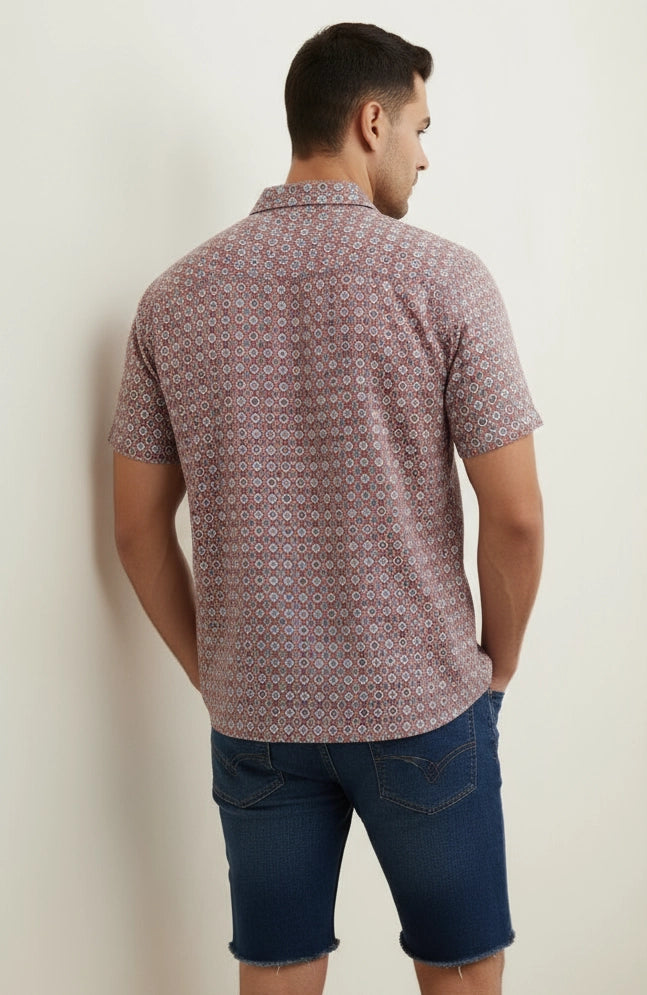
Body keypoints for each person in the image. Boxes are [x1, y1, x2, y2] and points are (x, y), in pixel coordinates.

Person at [109, 22, 543, 995]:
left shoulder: (172, 299)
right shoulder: (442, 279)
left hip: (255, 709)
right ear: (370, 119)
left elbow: (137, 523)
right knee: (463, 973)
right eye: (419, 128)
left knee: (276, 970)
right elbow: (511, 515)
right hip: (422, 706)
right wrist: (497, 664)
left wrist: (213, 671)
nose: (424, 153)